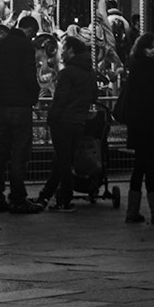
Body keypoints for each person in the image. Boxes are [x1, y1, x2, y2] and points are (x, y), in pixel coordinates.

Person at [0, 14, 43, 214]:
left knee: (0, 154)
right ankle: (18, 198)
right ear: (29, 30)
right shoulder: (24, 46)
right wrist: (34, 93)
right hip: (20, 106)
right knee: (19, 153)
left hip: (2, 106)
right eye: (33, 34)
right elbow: (29, 75)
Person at [117, 33, 154, 224]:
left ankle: (135, 210)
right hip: (152, 125)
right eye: (152, 47)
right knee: (148, 168)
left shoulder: (136, 68)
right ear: (144, 49)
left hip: (140, 125)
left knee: (141, 167)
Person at [41, 37, 100, 212]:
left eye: (65, 49)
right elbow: (94, 96)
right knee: (62, 159)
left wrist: (51, 118)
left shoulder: (68, 73)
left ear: (72, 50)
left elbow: (60, 99)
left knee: (63, 161)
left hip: (63, 121)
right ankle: (47, 194)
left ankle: (63, 198)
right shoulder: (90, 72)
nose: (62, 52)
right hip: (78, 122)